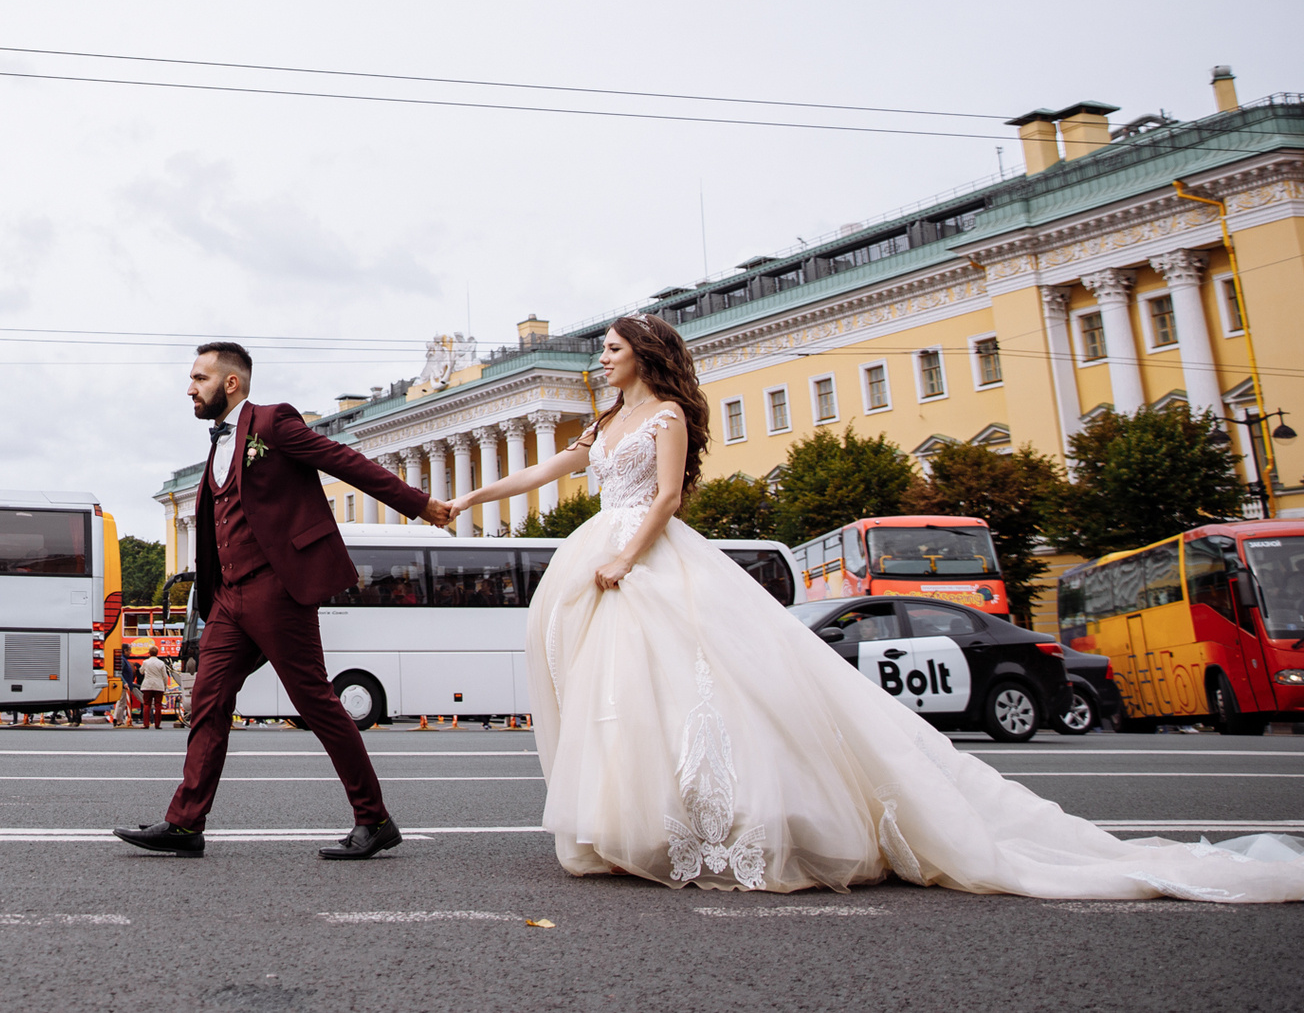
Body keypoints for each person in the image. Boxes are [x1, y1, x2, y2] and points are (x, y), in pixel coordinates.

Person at [454, 311, 1304, 902]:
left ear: (644, 352)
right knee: (624, 700)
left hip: (645, 554)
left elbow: (669, 497)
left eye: (610, 348)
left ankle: (710, 824)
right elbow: (537, 476)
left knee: (712, 690)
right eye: (600, 350)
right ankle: (637, 826)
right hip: (603, 553)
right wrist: (459, 505)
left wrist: (621, 559)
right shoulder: (603, 425)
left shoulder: (669, 414)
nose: (600, 359)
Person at [116, 342, 455, 860]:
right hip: (229, 597)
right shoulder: (216, 446)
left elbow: (344, 461)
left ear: (231, 383)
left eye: (199, 378)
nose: (189, 388)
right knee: (207, 700)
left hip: (276, 588)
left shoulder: (273, 424)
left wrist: (422, 504)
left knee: (315, 702)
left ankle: (374, 818)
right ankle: (185, 824)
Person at [138, 651, 171, 729]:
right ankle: (157, 724)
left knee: (146, 704)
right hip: (158, 685)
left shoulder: (145, 662)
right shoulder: (161, 663)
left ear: (149, 653)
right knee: (158, 705)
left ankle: (146, 724)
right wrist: (165, 685)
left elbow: (141, 671)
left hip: (147, 685)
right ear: (157, 653)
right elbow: (165, 676)